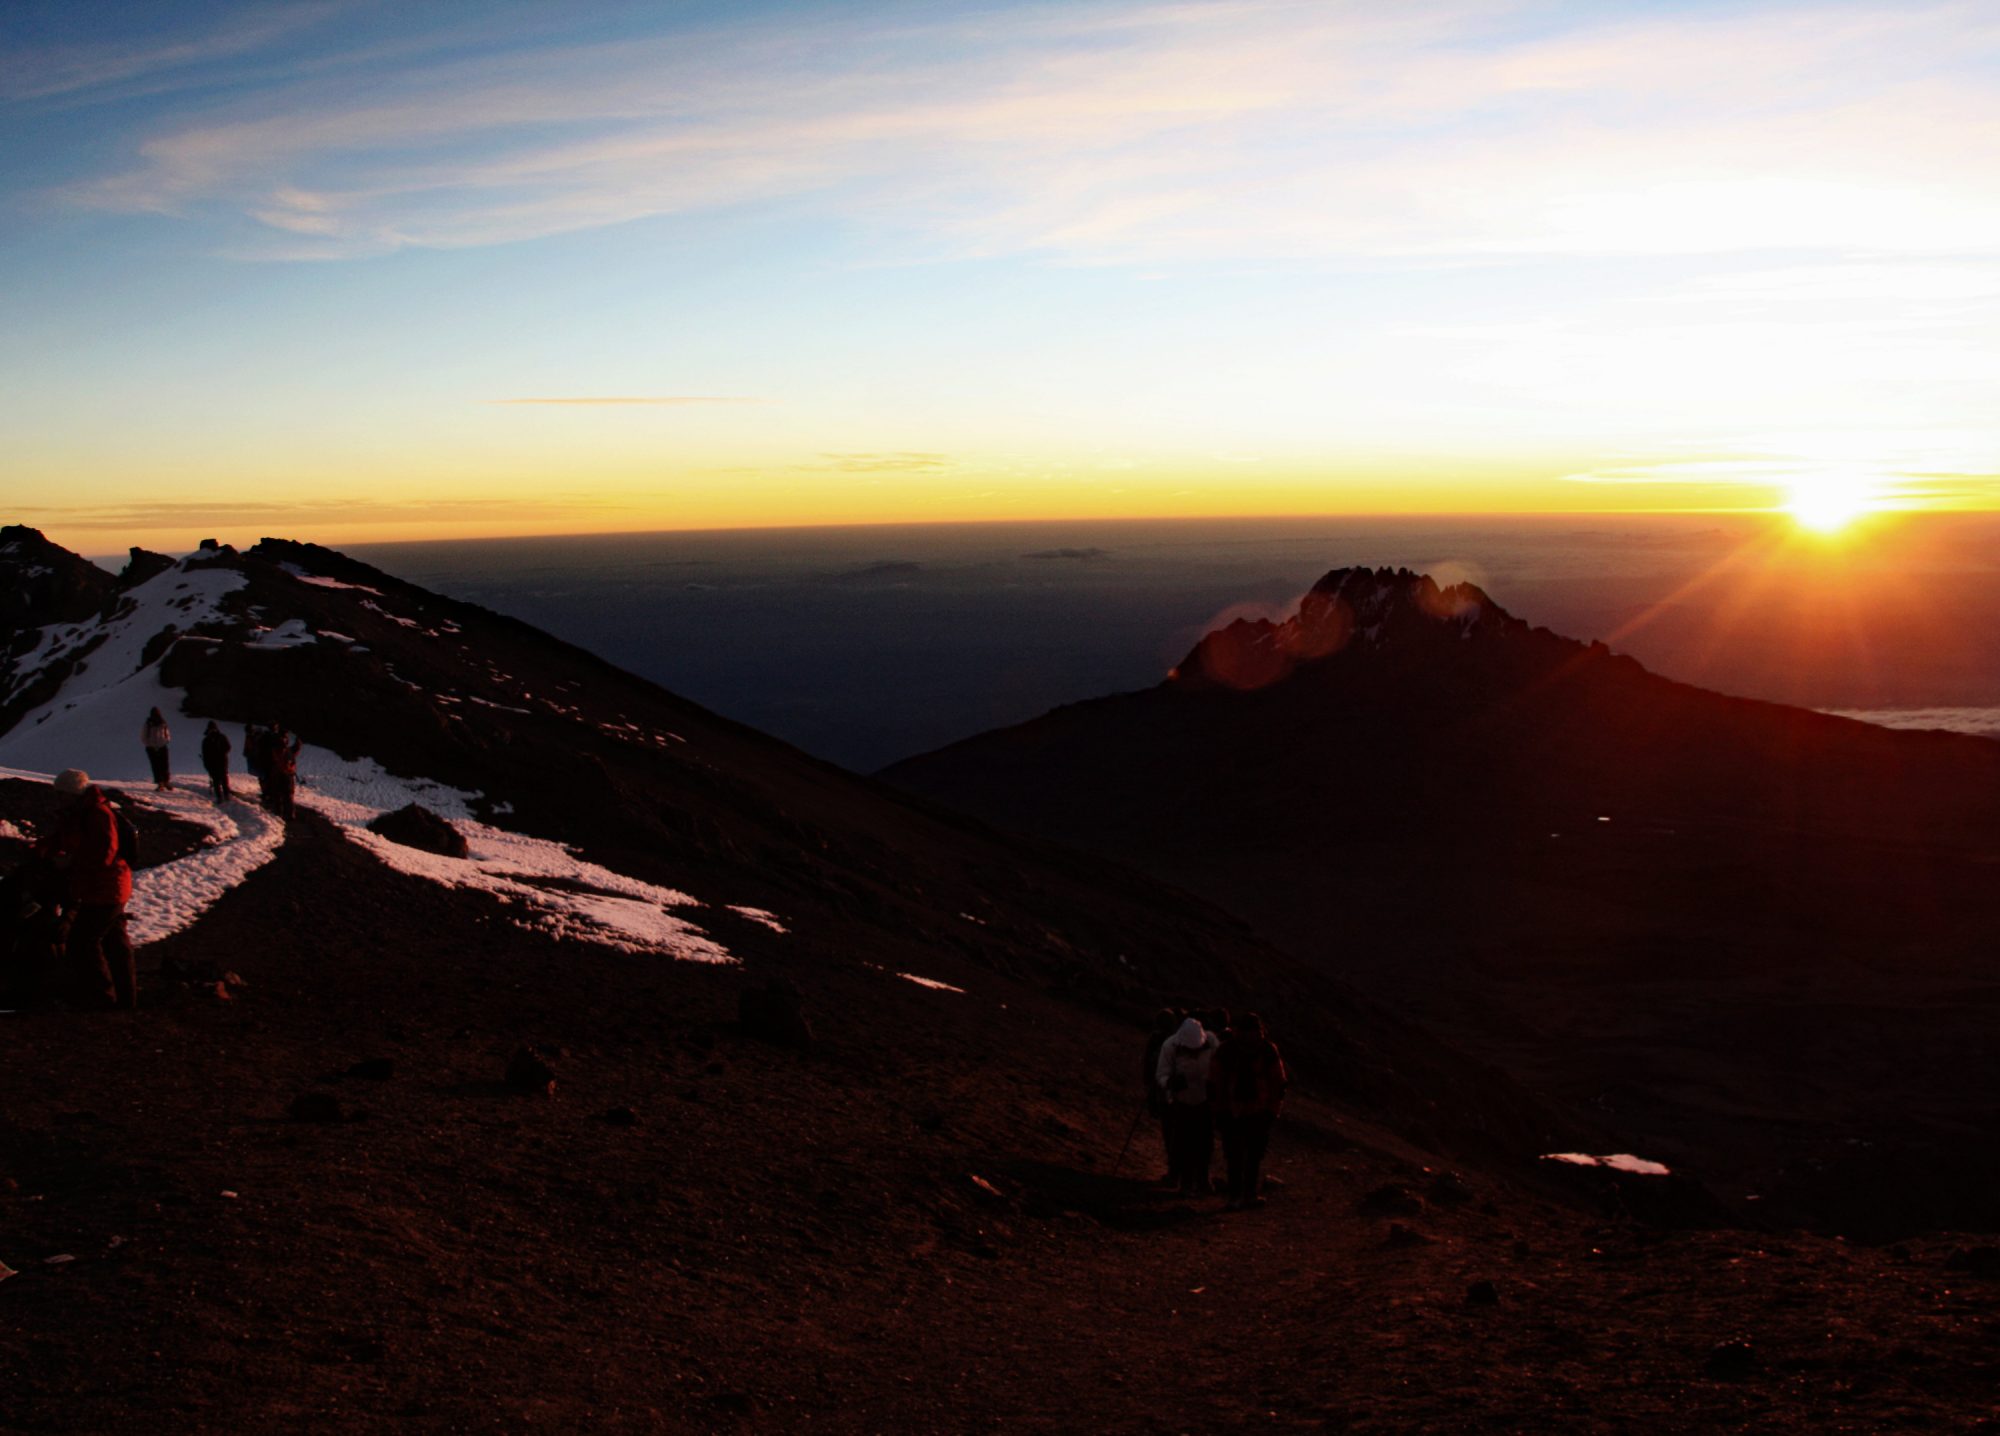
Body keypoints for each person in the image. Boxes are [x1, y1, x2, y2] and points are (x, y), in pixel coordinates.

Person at [37, 769, 136, 1011]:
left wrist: (70, 861)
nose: (58, 798)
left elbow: (104, 854)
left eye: (61, 794)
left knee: (84, 941)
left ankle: (100, 995)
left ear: (72, 793)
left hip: (106, 887)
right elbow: (62, 840)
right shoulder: (80, 814)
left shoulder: (96, 815)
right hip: (105, 887)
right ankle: (125, 997)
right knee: (114, 942)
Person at [1211, 1012, 1288, 1209]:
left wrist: (1219, 1110)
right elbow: (1278, 1083)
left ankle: (1234, 1196)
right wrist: (1273, 1110)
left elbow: (1215, 1082)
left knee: (1234, 1156)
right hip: (1260, 1111)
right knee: (1253, 1156)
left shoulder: (1226, 1049)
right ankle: (1250, 1194)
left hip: (1232, 1110)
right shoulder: (1267, 1050)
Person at [1156, 1015, 1219, 1196]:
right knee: (1182, 1142)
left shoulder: (1213, 1045)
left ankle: (1202, 1179)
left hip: (1204, 1100)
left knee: (1204, 1142)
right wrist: (1170, 1082)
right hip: (1181, 1101)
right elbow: (1161, 1073)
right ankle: (1186, 1181)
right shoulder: (1170, 1047)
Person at [1142, 1009, 1182, 1183]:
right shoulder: (1176, 1041)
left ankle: (1174, 1171)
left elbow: (1148, 1065)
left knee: (1170, 1132)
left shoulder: (1158, 1040)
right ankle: (1176, 1171)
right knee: (1175, 1132)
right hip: (1174, 1092)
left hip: (1164, 1091)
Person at [266, 725, 301, 818]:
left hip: (279, 773)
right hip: (286, 774)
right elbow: (293, 751)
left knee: (279, 794)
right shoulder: (284, 749)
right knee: (287, 794)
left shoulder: (276, 746)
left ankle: (279, 813)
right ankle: (288, 814)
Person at [200, 721, 232, 804]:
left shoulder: (210, 739)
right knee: (218, 780)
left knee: (221, 779)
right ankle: (223, 796)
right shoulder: (209, 739)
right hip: (216, 763)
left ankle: (224, 795)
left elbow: (228, 747)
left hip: (219, 762)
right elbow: (205, 754)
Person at [142, 707, 172, 792]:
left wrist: (165, 741)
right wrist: (149, 744)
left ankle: (166, 782)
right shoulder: (148, 724)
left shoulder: (163, 723)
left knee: (164, 765)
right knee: (156, 766)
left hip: (162, 746)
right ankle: (160, 783)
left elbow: (167, 734)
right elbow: (143, 736)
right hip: (152, 748)